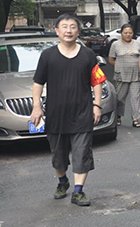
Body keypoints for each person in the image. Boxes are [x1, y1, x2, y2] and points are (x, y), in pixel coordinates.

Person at [30, 13, 107, 206]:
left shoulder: (88, 54)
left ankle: (78, 191)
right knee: (58, 155)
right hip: (56, 114)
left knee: (82, 152)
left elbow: (97, 81)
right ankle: (62, 181)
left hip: (82, 113)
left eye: (72, 27)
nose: (68, 30)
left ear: (78, 31)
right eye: (64, 27)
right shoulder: (48, 55)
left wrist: (97, 105)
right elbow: (38, 83)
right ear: (56, 30)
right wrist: (36, 107)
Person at [109, 24, 140, 128]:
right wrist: (119, 67)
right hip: (121, 75)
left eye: (130, 33)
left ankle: (135, 118)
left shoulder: (138, 43)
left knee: (136, 97)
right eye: (125, 33)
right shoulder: (115, 44)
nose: (128, 35)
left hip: (135, 74)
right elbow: (111, 59)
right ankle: (118, 116)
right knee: (120, 97)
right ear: (121, 33)